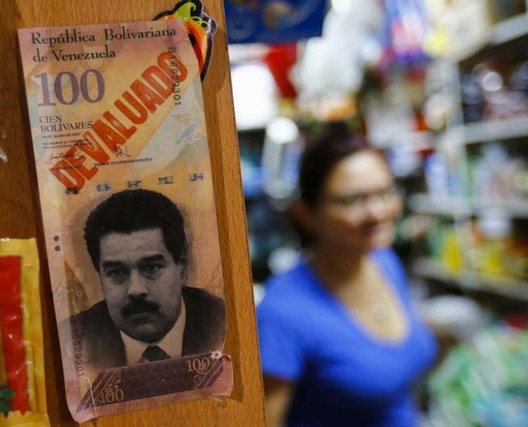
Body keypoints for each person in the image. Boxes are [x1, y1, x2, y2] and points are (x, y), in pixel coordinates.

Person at [256, 123, 437, 427]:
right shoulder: (281, 313)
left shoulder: (384, 261)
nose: (378, 212)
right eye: (354, 200)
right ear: (307, 214)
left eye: (385, 192)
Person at [67, 188, 225, 369]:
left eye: (151, 267)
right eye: (117, 272)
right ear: (101, 279)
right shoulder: (71, 341)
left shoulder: (223, 322)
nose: (136, 289)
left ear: (182, 270)